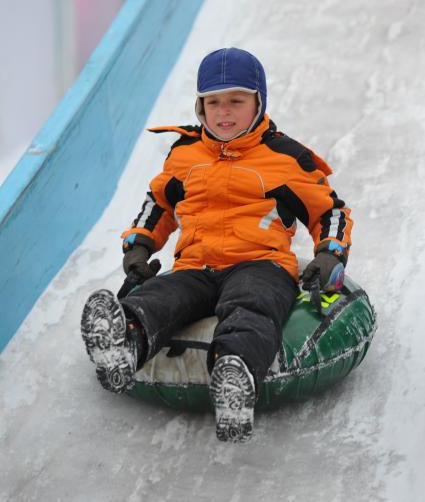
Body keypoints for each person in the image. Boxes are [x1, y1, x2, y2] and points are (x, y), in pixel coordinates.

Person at [81, 47, 352, 442]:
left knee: (251, 305)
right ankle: (125, 343)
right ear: (200, 107)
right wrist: (139, 246)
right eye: (213, 102)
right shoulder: (185, 154)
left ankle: (234, 375)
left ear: (258, 103)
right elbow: (159, 204)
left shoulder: (285, 157)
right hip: (196, 265)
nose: (224, 112)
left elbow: (329, 211)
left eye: (236, 101)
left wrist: (329, 253)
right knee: (163, 295)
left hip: (260, 264)